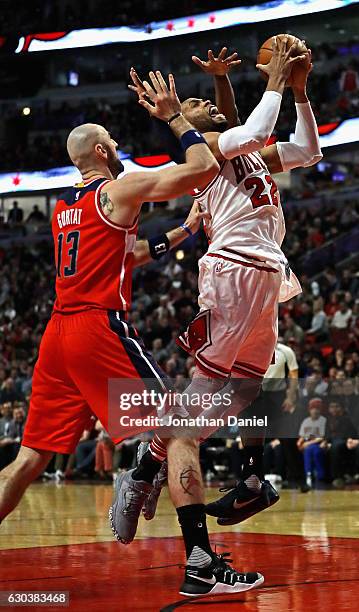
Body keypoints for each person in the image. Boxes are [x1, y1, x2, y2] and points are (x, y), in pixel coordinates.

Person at [0, 72, 264, 598]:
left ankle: (145, 476)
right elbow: (204, 168)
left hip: (57, 334)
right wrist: (171, 115)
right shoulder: (118, 187)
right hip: (97, 328)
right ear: (100, 151)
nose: (120, 149)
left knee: (29, 459)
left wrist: (188, 232)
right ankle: (199, 563)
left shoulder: (63, 210)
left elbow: (133, 254)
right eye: (115, 145)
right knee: (182, 430)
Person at [127, 37, 322, 527]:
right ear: (187, 124)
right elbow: (250, 130)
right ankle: (148, 465)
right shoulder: (209, 153)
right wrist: (277, 79)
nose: (207, 103)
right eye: (195, 103)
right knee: (207, 384)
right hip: (234, 268)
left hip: (265, 272)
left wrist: (299, 93)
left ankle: (245, 477)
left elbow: (309, 149)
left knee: (245, 389)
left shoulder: (242, 153)